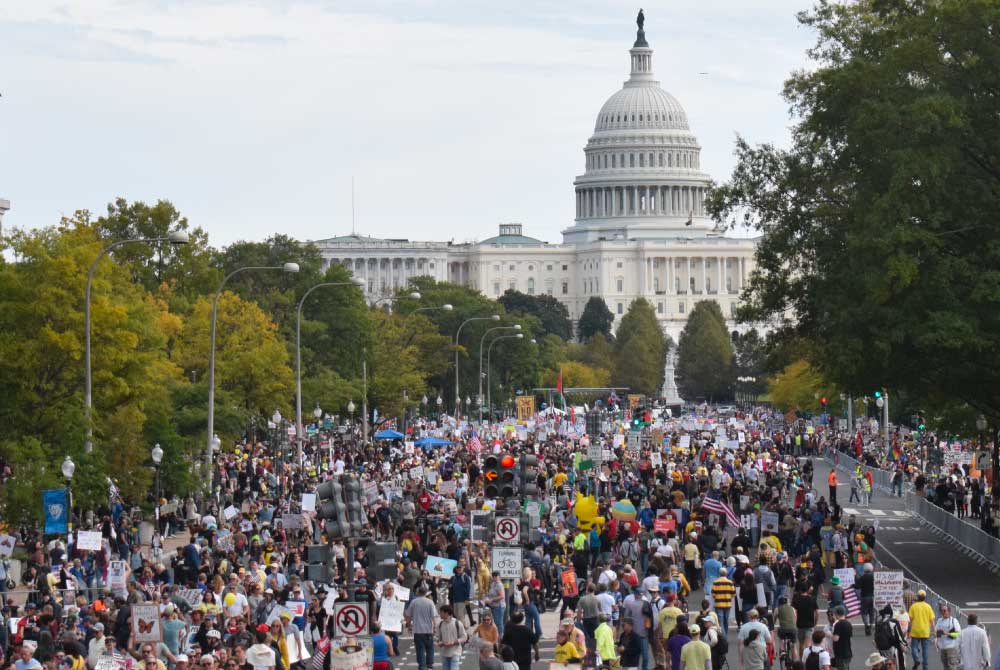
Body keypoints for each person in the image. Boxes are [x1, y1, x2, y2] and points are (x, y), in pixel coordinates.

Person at [404, 587, 438, 670]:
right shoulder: (430, 602)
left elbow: (408, 616)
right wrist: (435, 627)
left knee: (420, 650)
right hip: (428, 630)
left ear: (418, 593)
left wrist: (408, 625)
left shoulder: (414, 602)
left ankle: (422, 667)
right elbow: (434, 617)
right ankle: (430, 665)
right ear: (426, 593)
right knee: (430, 648)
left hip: (418, 630)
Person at [907, 590, 935, 670]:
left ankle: (916, 659)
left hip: (915, 631)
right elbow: (932, 620)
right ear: (925, 597)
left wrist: (908, 630)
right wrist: (934, 631)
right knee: (925, 650)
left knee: (914, 647)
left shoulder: (913, 606)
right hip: (925, 631)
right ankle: (925, 667)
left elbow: (910, 619)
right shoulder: (928, 606)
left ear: (917, 597)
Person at [435, 605, 467, 670]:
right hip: (444, 652)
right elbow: (437, 637)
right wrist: (439, 642)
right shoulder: (440, 624)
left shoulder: (457, 623)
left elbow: (464, 637)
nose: (439, 614)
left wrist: (453, 642)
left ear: (446, 613)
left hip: (455, 651)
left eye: (441, 612)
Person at [934, 603, 961, 670]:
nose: (943, 612)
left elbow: (958, 633)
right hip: (942, 647)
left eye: (945, 611)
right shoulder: (939, 621)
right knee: (945, 666)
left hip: (951, 647)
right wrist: (936, 636)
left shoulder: (953, 621)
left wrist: (947, 634)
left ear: (949, 611)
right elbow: (936, 631)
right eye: (942, 611)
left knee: (952, 666)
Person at [486, 572, 507, 638]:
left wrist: (492, 600)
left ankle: (501, 637)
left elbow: (502, 596)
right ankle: (497, 636)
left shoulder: (499, 584)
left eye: (496, 576)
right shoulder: (492, 584)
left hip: (499, 606)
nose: (495, 577)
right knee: (495, 622)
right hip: (493, 606)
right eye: (494, 576)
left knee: (499, 622)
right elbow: (491, 594)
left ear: (499, 576)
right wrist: (487, 597)